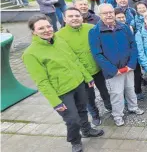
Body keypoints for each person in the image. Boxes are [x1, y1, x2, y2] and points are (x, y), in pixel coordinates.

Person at [22, 15, 104, 152]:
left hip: (78, 83)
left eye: (48, 26)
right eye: (41, 28)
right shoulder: (30, 54)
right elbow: (41, 81)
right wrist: (55, 102)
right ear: (34, 32)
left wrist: (87, 77)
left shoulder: (59, 40)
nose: (47, 30)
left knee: (83, 110)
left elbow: (75, 60)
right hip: (62, 92)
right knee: (72, 119)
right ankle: (75, 141)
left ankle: (87, 130)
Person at [89, 4, 145, 127]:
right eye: (105, 13)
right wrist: (113, 70)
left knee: (131, 89)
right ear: (100, 15)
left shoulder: (124, 27)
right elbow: (97, 54)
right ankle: (118, 115)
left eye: (110, 12)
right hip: (113, 72)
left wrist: (131, 64)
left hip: (128, 67)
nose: (109, 15)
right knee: (117, 94)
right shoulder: (94, 32)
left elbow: (133, 46)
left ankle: (133, 107)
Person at [56, 7, 112, 126]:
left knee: (104, 90)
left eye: (77, 16)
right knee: (88, 96)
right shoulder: (59, 36)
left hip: (97, 68)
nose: (74, 18)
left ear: (82, 17)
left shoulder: (91, 28)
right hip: (80, 73)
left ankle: (109, 105)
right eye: (70, 16)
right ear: (64, 19)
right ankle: (95, 114)